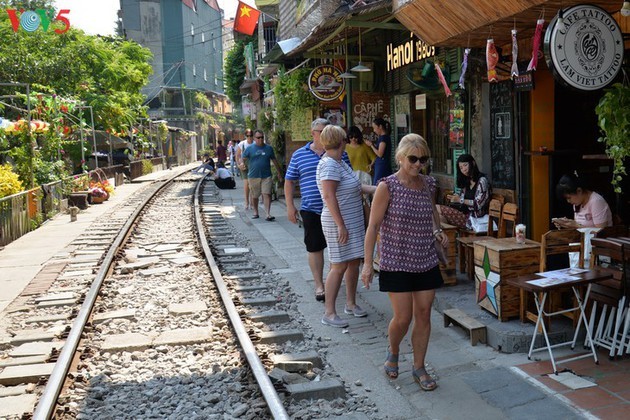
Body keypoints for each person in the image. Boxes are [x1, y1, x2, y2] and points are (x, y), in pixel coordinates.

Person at [361, 133, 448, 392]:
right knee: (403, 317)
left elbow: (432, 212)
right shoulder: (387, 186)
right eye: (413, 158)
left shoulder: (429, 184)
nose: (417, 164)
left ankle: (419, 366)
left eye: (422, 159)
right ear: (400, 157)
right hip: (395, 260)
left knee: (424, 313)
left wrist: (437, 230)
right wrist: (367, 264)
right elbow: (373, 226)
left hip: (425, 258)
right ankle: (394, 349)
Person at [285, 118, 352, 302]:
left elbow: (349, 179)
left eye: (328, 131)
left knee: (337, 248)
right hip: (312, 208)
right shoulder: (299, 154)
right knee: (315, 247)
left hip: (336, 210)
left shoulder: (340, 153)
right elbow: (289, 180)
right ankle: (319, 285)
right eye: (321, 131)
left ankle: (333, 283)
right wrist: (290, 206)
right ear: (312, 133)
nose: (324, 134)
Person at [317, 125, 377, 327]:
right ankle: (329, 312)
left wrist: (379, 189)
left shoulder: (339, 161)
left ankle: (350, 303)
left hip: (351, 220)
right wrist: (340, 224)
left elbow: (357, 186)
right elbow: (328, 195)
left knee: (353, 262)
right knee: (338, 265)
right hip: (339, 222)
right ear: (341, 140)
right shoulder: (329, 165)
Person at [436, 154, 491, 230]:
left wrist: (460, 200)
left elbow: (478, 204)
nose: (464, 169)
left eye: (465, 165)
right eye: (461, 168)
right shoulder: (467, 182)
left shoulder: (482, 181)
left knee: (436, 208)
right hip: (465, 214)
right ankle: (450, 238)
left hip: (475, 219)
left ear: (473, 163)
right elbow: (461, 199)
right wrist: (454, 198)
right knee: (439, 217)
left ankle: (452, 237)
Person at [242, 130, 283, 221]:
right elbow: (243, 158)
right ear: (254, 138)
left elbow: (274, 161)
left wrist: (279, 173)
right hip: (253, 175)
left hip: (266, 175)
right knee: (255, 195)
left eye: (262, 137)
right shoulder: (250, 148)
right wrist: (242, 164)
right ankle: (256, 212)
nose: (260, 139)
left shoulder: (269, 148)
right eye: (258, 137)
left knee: (267, 193)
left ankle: (267, 214)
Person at [364, 118, 392, 185]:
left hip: (382, 164)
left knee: (378, 184)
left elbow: (380, 154)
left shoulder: (383, 138)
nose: (374, 130)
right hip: (381, 163)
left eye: (375, 128)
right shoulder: (384, 137)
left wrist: (371, 145)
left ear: (380, 127)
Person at [237, 130, 255, 210]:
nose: (250, 137)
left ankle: (252, 202)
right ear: (245, 136)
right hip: (244, 165)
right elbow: (237, 156)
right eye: (248, 136)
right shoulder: (242, 144)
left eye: (251, 135)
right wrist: (238, 164)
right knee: (246, 183)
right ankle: (246, 202)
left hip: (253, 165)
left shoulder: (255, 143)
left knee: (252, 184)